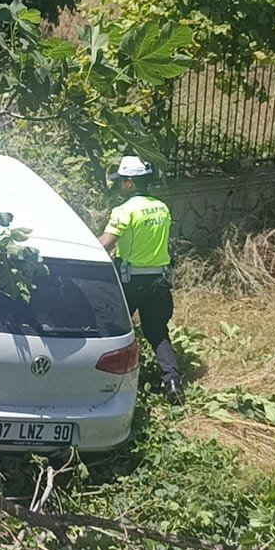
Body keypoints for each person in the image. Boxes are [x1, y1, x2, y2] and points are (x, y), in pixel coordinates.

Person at [98, 156, 184, 405]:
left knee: (113, 332)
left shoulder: (124, 211)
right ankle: (172, 382)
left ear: (128, 183)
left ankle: (111, 385)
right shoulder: (162, 207)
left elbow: (106, 243)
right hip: (159, 281)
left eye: (121, 181)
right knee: (158, 333)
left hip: (130, 282)